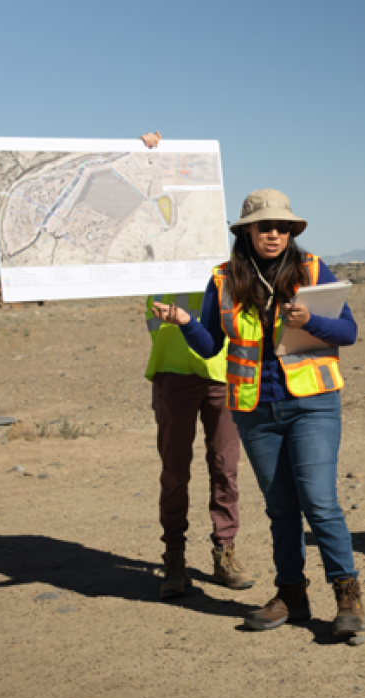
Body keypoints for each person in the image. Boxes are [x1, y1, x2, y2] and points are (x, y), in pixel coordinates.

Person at [152, 187, 365, 636]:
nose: (274, 234)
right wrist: (187, 323)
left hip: (312, 404)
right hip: (254, 409)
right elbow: (213, 343)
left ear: (292, 231)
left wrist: (312, 322)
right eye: (264, 226)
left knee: (320, 502)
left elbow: (347, 331)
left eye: (282, 227)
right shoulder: (223, 279)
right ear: (245, 231)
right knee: (281, 508)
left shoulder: (311, 269)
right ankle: (291, 594)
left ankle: (347, 595)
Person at [139, 131, 250, 599]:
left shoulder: (227, 263)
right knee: (175, 470)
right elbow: (146, 204)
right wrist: (148, 159)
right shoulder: (152, 247)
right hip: (173, 372)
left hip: (223, 374)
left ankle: (225, 550)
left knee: (226, 466)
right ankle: (174, 557)